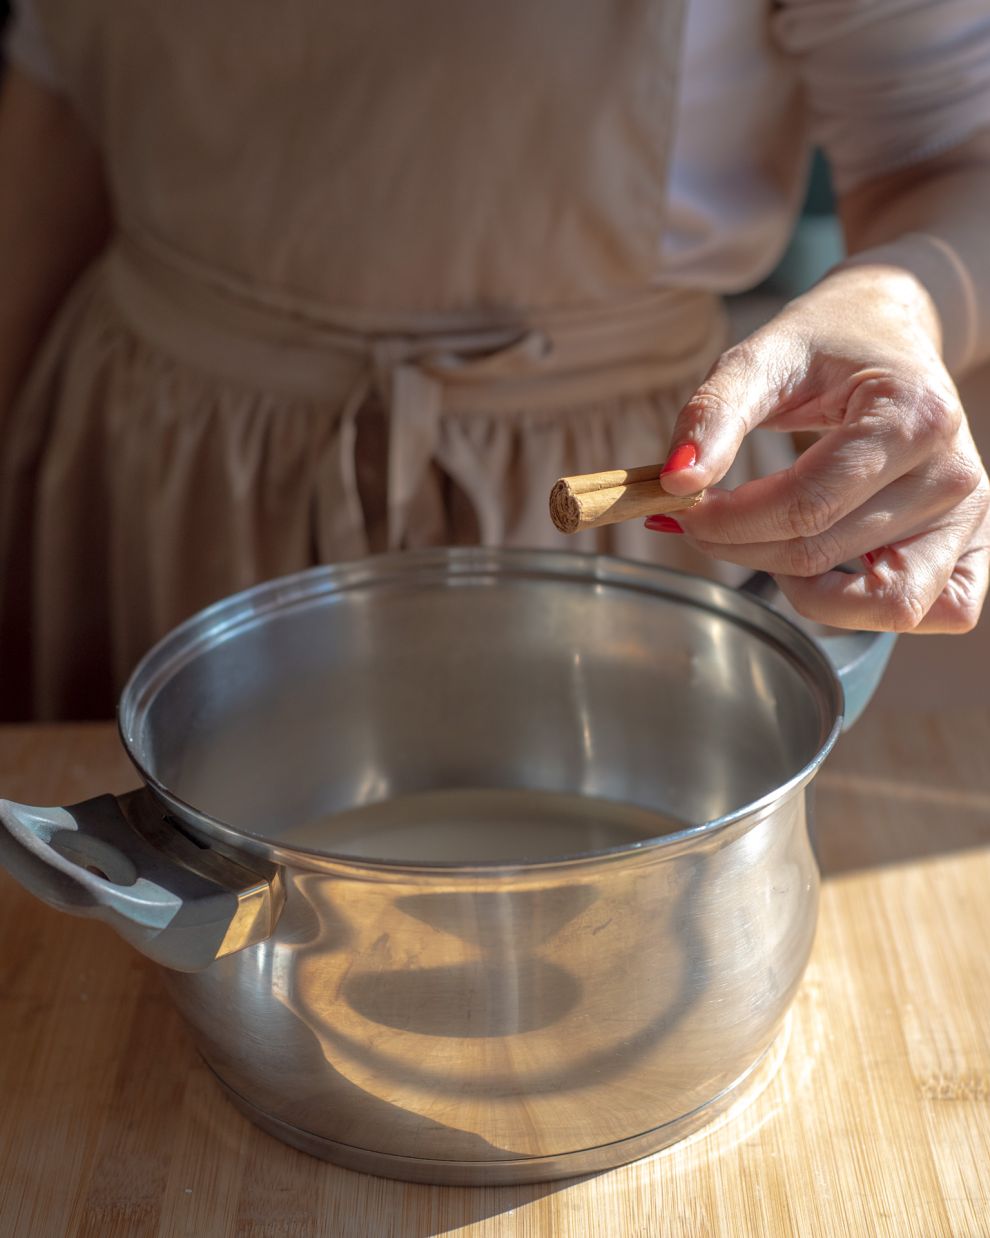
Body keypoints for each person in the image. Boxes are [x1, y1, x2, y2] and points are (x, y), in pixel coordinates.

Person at [1, 0, 988, 721]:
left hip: (611, 533)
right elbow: (56, 112)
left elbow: (949, 153)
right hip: (148, 477)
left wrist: (898, 307)